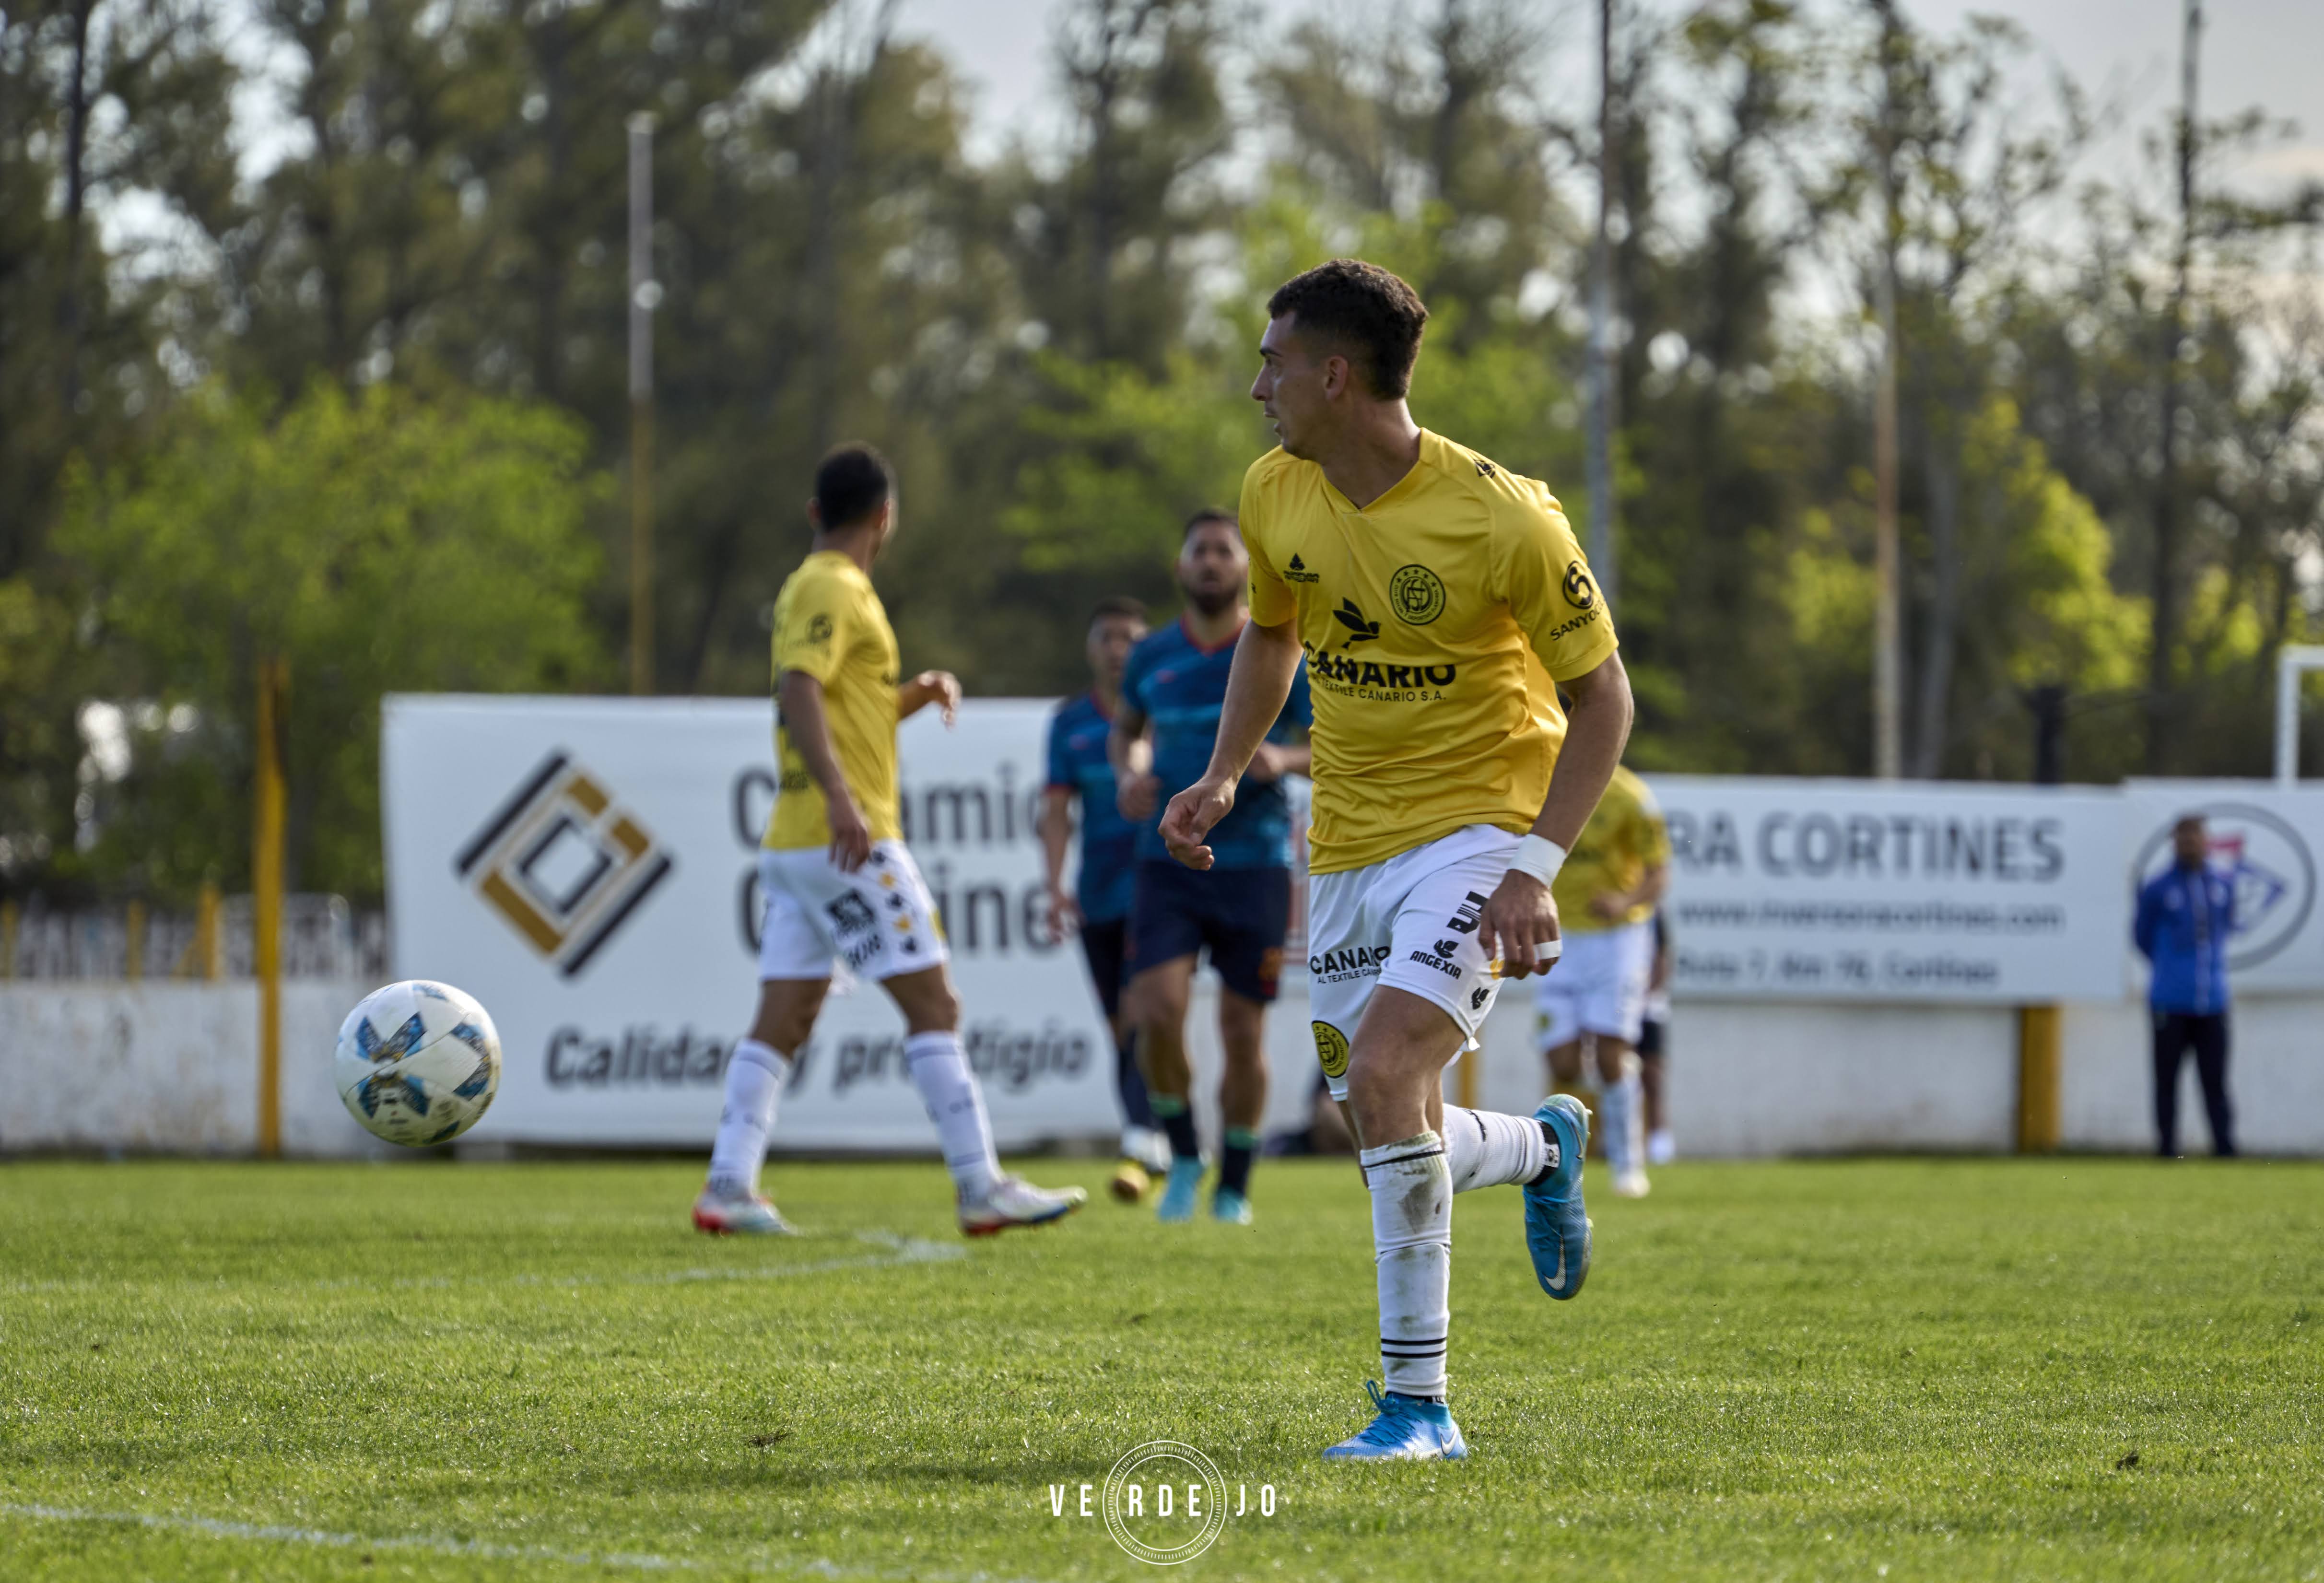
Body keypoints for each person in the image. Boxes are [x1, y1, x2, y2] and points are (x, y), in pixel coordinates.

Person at [1160, 258, 1632, 1461]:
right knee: (1372, 1116)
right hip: (1349, 843)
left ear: (1333, 374)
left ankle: (1418, 1410)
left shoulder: (1503, 514)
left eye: (1273, 363)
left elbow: (1605, 700)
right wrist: (1223, 772)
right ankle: (1541, 1145)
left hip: (1479, 827)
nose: (1255, 386)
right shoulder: (1276, 492)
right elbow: (1272, 637)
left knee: (1381, 1074)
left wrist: (1532, 865)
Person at [693, 443, 1088, 1238]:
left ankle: (729, 1184)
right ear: (886, 517)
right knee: (934, 1002)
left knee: (787, 1013)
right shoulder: (832, 586)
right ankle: (981, 1185)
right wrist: (843, 799)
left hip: (797, 845)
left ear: (815, 513)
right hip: (847, 839)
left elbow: (841, 702)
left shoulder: (829, 587)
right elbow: (799, 686)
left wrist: (911, 695)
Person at [1111, 510, 1313, 1225]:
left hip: (1253, 860)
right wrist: (1130, 774)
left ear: (1245, 568)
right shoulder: (1151, 656)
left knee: (1240, 1031)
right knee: (1157, 1013)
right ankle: (1182, 1155)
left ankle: (1233, 1183)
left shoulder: (1278, 646)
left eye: (1224, 551)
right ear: (1179, 566)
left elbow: (1330, 743)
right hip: (1165, 858)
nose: (1210, 562)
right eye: (1198, 550)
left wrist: (1283, 759)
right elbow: (1127, 731)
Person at [1039, 597, 1174, 1202]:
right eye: (1107, 638)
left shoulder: (1167, 713)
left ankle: (1144, 1136)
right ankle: (1160, 1132)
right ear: (1091, 648)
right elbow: (1056, 811)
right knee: (1121, 1023)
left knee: (1146, 1009)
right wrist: (1053, 886)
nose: (1118, 649)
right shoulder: (1070, 724)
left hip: (1159, 885)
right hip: (1099, 891)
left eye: (1129, 638)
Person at [1536, 764, 1670, 1197]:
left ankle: (1627, 1165)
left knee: (1611, 1053)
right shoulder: (1542, 784)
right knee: (1563, 1061)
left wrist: (1624, 900)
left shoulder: (1631, 797)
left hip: (1617, 940)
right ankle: (1568, 1156)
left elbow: (1659, 873)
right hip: (1558, 935)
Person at [2133, 814, 2238, 1158]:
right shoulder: (2158, 888)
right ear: (2175, 842)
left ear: (2206, 840)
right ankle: (2167, 1150)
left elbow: (2227, 928)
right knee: (2167, 1080)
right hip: (2169, 1000)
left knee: (2215, 1082)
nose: (2190, 843)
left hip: (2213, 1001)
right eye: (2184, 838)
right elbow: (2142, 938)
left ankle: (2224, 1149)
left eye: (2196, 837)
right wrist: (2172, 969)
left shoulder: (2222, 883)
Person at [1639, 911, 1676, 1166]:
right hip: (1614, 1005)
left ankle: (1659, 1141)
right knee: (1615, 1070)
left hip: (1649, 1006)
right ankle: (1621, 1141)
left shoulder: (1654, 914)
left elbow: (1663, 957)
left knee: (1652, 1075)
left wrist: (1644, 994)